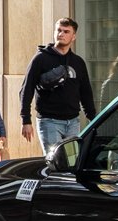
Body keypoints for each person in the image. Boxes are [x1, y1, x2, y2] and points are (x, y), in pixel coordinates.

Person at [20, 17, 96, 159]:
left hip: (73, 122)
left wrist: (94, 119)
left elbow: (86, 92)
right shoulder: (40, 59)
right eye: (58, 30)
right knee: (55, 162)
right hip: (49, 122)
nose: (61, 34)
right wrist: (26, 120)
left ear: (73, 37)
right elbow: (26, 89)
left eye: (66, 31)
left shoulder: (78, 62)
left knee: (73, 162)